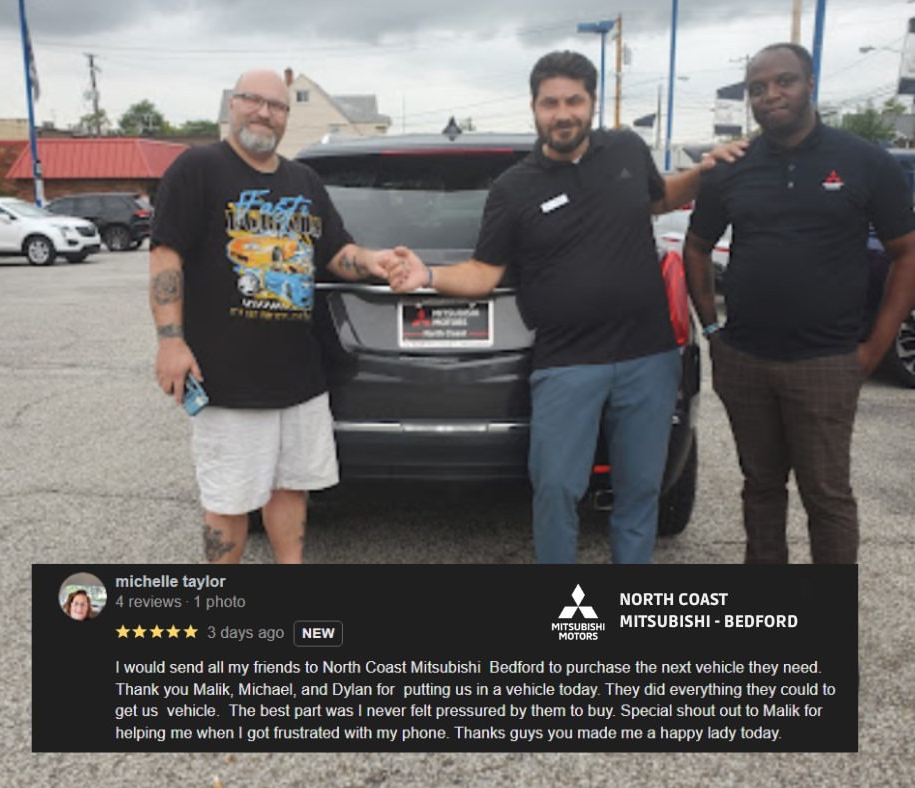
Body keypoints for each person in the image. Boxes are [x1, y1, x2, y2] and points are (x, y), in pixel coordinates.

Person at [389, 50, 744, 564]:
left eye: (573, 101)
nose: (562, 114)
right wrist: (427, 276)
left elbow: (658, 198)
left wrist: (704, 173)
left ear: (592, 102)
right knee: (556, 487)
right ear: (534, 107)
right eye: (550, 103)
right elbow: (484, 272)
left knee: (641, 489)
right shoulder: (513, 189)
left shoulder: (625, 150)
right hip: (567, 364)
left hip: (647, 357)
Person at [149, 69, 399, 564]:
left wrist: (375, 261)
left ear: (287, 116)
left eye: (278, 105)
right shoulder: (198, 168)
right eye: (253, 100)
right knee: (228, 499)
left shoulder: (303, 180)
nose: (265, 112)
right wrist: (170, 341)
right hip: (226, 381)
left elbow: (336, 252)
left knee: (290, 488)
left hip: (299, 379)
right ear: (232, 105)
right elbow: (165, 255)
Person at [683, 43, 915, 564]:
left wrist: (872, 350)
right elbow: (695, 248)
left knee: (827, 496)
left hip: (826, 361)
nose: (770, 95)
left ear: (810, 83)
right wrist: (713, 332)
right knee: (760, 489)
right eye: (757, 88)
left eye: (783, 81)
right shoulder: (733, 167)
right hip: (745, 360)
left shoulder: (864, 161)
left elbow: (907, 254)